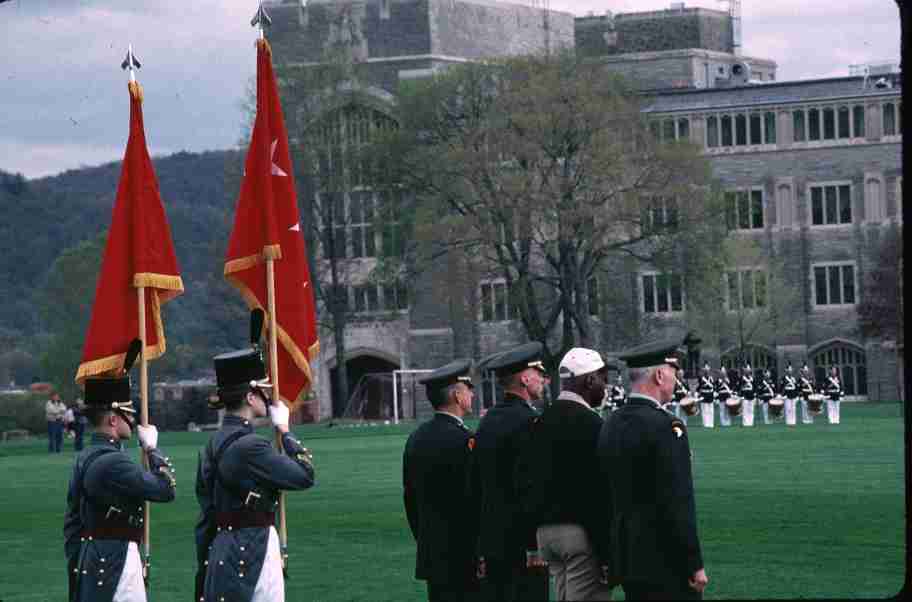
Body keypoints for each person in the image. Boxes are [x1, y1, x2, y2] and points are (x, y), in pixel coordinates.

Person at [194, 347, 316, 602]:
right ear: (250, 397)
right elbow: (304, 475)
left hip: (219, 550)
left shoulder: (211, 445)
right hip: (253, 549)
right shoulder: (253, 446)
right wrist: (284, 430)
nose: (270, 398)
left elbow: (206, 514)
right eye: (264, 391)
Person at [597, 337, 708, 600]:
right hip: (665, 558)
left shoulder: (611, 422)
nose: (676, 379)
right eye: (673, 371)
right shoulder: (668, 427)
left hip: (627, 556)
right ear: (659, 375)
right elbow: (678, 501)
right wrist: (694, 562)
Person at [63, 373, 176, 602]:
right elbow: (166, 489)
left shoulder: (86, 456)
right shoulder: (115, 463)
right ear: (114, 419)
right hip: (117, 560)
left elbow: (72, 522)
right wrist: (153, 450)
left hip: (94, 557)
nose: (133, 421)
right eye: (129, 415)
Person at [529, 348, 613, 601]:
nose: (604, 386)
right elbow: (598, 492)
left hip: (545, 533)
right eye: (601, 378)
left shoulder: (540, 422)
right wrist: (608, 553)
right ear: (589, 380)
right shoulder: (593, 425)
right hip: (580, 533)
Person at [473, 341, 550, 602]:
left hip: (492, 541)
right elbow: (531, 486)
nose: (544, 380)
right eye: (539, 374)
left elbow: (478, 487)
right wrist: (533, 544)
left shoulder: (487, 422)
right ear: (525, 379)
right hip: (521, 545)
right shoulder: (531, 422)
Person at [403, 359, 480, 602]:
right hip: (464, 551)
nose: (472, 394)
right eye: (468, 388)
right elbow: (475, 498)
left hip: (432, 549)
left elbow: (410, 498)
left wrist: (426, 536)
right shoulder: (465, 440)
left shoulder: (416, 438)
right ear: (457, 395)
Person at [696, 363, 715, 429]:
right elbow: (699, 387)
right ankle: (705, 423)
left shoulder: (711, 378)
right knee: (705, 410)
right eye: (705, 371)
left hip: (710, 395)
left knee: (711, 410)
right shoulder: (701, 378)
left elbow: (713, 386)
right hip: (704, 395)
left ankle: (711, 423)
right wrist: (697, 393)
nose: (706, 372)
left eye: (707, 370)